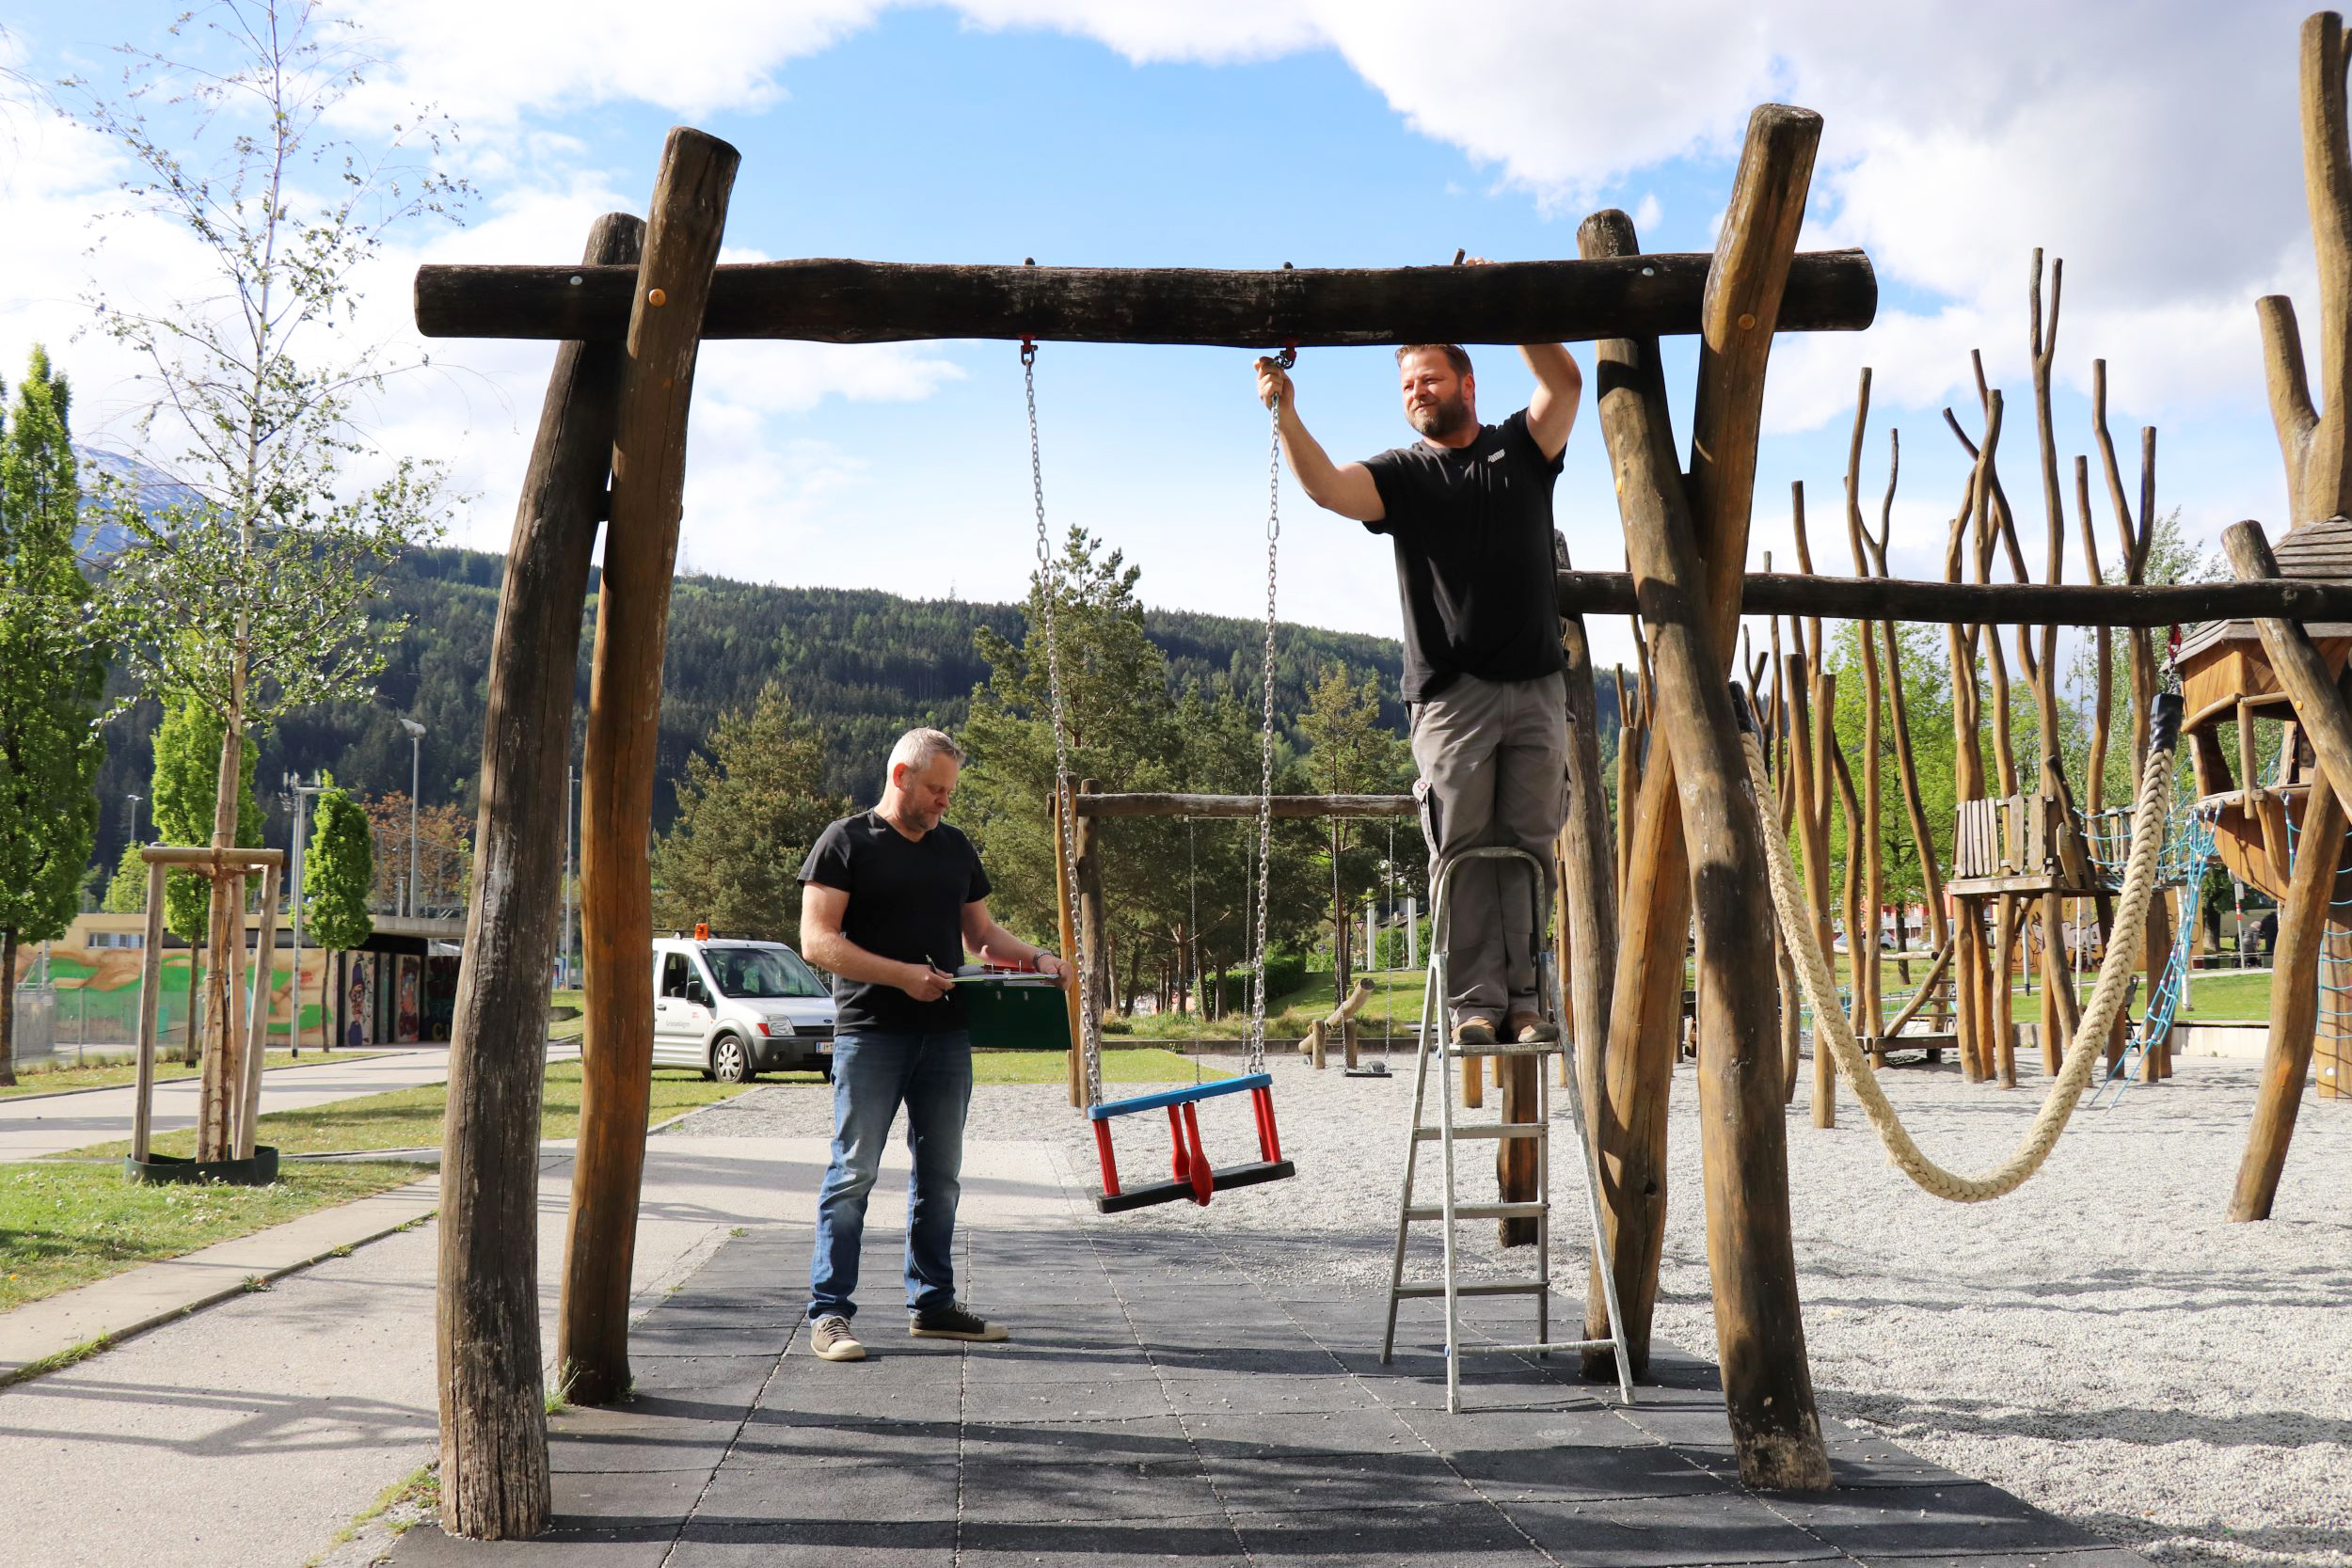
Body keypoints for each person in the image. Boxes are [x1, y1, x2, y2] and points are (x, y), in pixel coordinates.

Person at [1256, 306, 1581, 1046]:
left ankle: (1527, 1002)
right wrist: (1286, 416)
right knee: (1462, 850)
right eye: (1407, 384)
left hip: (1536, 687)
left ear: (1468, 380)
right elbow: (1329, 490)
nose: (1417, 392)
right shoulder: (1404, 474)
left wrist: (1501, 297)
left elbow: (1564, 381)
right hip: (1450, 697)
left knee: (1530, 849)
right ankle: (1474, 1004)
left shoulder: (1520, 450)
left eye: (1429, 377)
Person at [796, 726, 1067, 1363]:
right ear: (900, 777)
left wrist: (1042, 958)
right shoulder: (845, 841)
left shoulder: (954, 847)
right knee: (853, 1172)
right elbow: (817, 941)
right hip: (870, 1033)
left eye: (950, 791)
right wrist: (903, 976)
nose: (946, 801)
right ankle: (830, 1312)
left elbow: (982, 937)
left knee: (940, 1178)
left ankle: (933, 1305)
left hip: (946, 1036)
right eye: (936, 789)